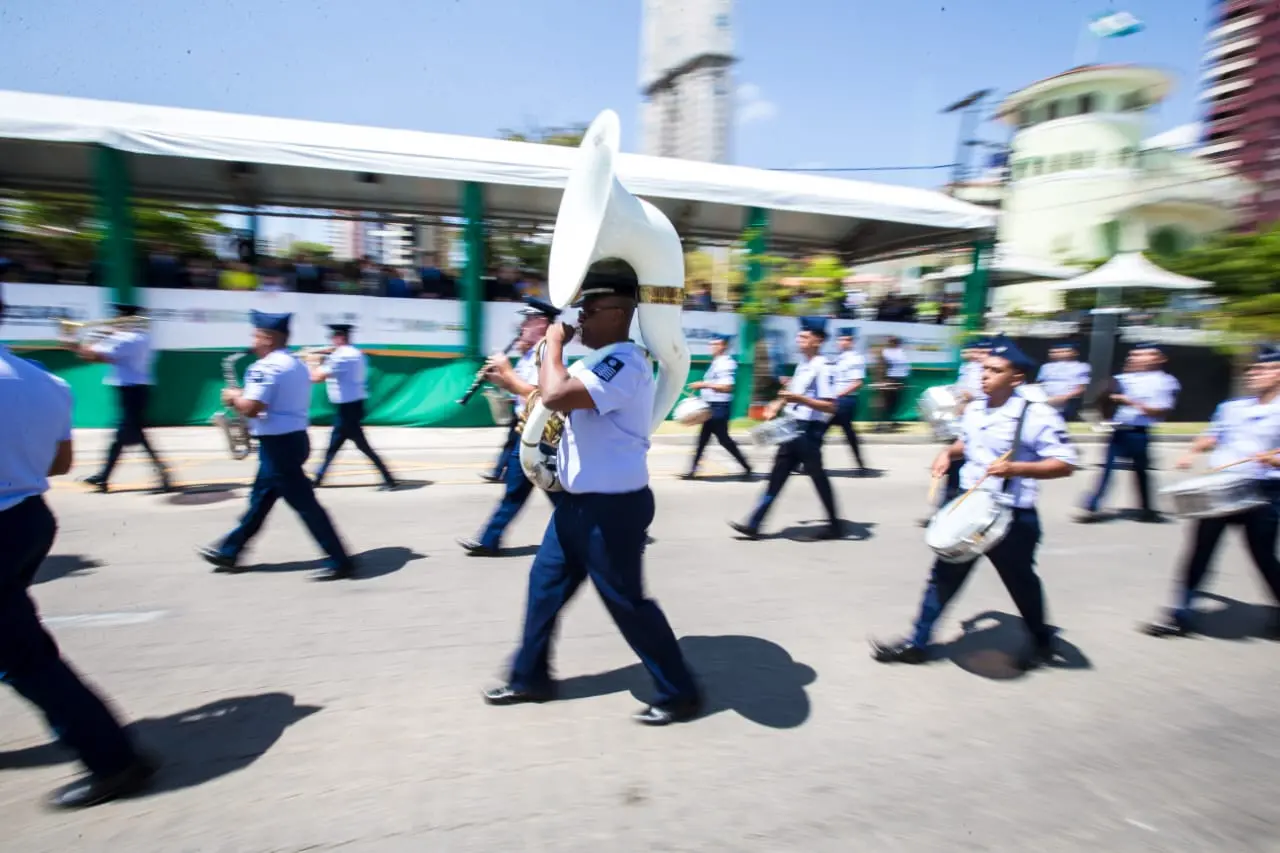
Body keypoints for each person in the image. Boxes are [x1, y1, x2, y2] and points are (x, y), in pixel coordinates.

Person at [482, 268, 702, 726]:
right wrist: (513, 383)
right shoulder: (599, 363)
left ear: (619, 313)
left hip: (612, 509)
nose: (579, 318)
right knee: (544, 589)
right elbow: (551, 398)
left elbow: (558, 394)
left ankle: (680, 691)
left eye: (590, 310)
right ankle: (530, 677)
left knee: (627, 603)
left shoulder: (626, 362)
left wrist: (554, 344)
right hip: (577, 505)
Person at [0, 286, 156, 808]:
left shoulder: (124, 342)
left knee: (26, 660)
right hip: (28, 519)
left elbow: (98, 352)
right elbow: (60, 465)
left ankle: (113, 760)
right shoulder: (46, 383)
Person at [871, 337, 1077, 670]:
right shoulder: (977, 408)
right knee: (943, 576)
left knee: (1021, 583)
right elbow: (967, 443)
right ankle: (917, 642)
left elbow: (1065, 464)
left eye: (995, 371)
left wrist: (1017, 468)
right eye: (984, 369)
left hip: (1012, 516)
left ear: (1017, 377)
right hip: (970, 508)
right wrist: (945, 452)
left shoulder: (1036, 414)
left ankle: (1041, 641)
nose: (985, 376)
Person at [199, 311, 357, 581]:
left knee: (305, 505)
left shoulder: (266, 367)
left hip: (278, 446)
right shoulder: (295, 364)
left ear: (268, 338)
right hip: (294, 440)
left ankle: (340, 560)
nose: (252, 341)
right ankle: (230, 551)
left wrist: (234, 397)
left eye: (256, 335)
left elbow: (251, 407)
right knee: (260, 500)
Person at [1140, 345, 1280, 638]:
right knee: (1200, 551)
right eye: (1252, 369)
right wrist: (1194, 449)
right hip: (1221, 487)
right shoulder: (1233, 407)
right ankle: (1180, 613)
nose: (1254, 373)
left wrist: (1274, 458)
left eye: (1263, 368)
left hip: (1264, 491)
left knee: (1263, 555)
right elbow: (1214, 435)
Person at [459, 297, 563, 555]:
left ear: (541, 323)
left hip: (541, 433)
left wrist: (506, 373)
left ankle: (592, 533)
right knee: (517, 490)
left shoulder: (548, 353)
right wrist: (500, 379)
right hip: (525, 429)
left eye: (527, 319)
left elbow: (540, 395)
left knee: (555, 494)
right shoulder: (532, 351)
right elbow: (522, 391)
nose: (522, 324)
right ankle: (488, 541)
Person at [729, 317, 840, 542]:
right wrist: (776, 404)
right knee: (777, 477)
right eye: (800, 336)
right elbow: (789, 393)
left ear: (817, 341)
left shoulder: (823, 367)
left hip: (809, 431)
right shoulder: (802, 365)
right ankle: (754, 524)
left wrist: (799, 398)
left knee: (818, 477)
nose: (799, 340)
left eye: (805, 337)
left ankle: (835, 525)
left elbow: (830, 406)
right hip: (791, 427)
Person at [73, 303, 172, 494]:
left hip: (131, 392)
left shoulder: (127, 339)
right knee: (132, 436)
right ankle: (160, 476)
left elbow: (93, 356)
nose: (114, 320)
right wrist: (104, 336)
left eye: (118, 317)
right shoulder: (141, 336)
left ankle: (104, 477)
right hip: (135, 391)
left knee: (123, 436)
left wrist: (82, 341)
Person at [1077, 343, 1180, 523]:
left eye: (1142, 355)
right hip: (1119, 430)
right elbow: (1104, 398)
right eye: (1133, 355)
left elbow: (1160, 410)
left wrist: (1129, 401)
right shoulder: (1124, 378)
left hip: (1139, 432)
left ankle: (1147, 508)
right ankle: (1091, 505)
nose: (1134, 358)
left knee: (1141, 472)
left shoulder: (1164, 381)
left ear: (1159, 358)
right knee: (1107, 469)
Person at [309, 324, 397, 491]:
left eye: (334, 338)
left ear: (340, 338)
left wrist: (312, 362)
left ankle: (389, 478)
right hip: (354, 405)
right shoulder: (357, 354)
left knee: (357, 446)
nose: (332, 341)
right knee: (335, 446)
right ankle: (319, 477)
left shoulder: (340, 357)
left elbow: (316, 377)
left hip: (346, 409)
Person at [681, 333, 753, 480]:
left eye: (716, 344)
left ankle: (746, 465)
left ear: (724, 346)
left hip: (719, 408)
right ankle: (693, 470)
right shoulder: (716, 362)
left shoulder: (726, 363)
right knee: (705, 439)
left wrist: (704, 384)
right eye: (711, 344)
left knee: (722, 440)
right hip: (711, 406)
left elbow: (727, 387)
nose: (712, 347)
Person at [820, 328, 870, 474]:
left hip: (845, 401)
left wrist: (837, 396)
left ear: (852, 341)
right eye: (840, 339)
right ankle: (860, 464)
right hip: (838, 400)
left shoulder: (855, 358)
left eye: (846, 339)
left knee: (820, 430)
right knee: (847, 433)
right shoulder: (839, 358)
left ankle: (808, 462)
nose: (842, 342)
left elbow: (857, 383)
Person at [1037, 341, 1091, 422]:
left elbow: (1082, 387)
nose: (1058, 353)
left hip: (1068, 403)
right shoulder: (1045, 367)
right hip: (1045, 402)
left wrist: (1064, 398)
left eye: (1064, 351)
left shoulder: (1082, 366)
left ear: (1075, 353)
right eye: (1054, 352)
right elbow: (1039, 384)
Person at [875, 336, 910, 432]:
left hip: (899, 380)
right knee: (884, 403)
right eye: (893, 341)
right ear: (890, 342)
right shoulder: (885, 352)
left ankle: (891, 421)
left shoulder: (901, 353)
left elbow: (904, 367)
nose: (895, 343)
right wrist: (881, 381)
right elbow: (880, 367)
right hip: (888, 380)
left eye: (897, 342)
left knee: (894, 402)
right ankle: (879, 424)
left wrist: (903, 382)